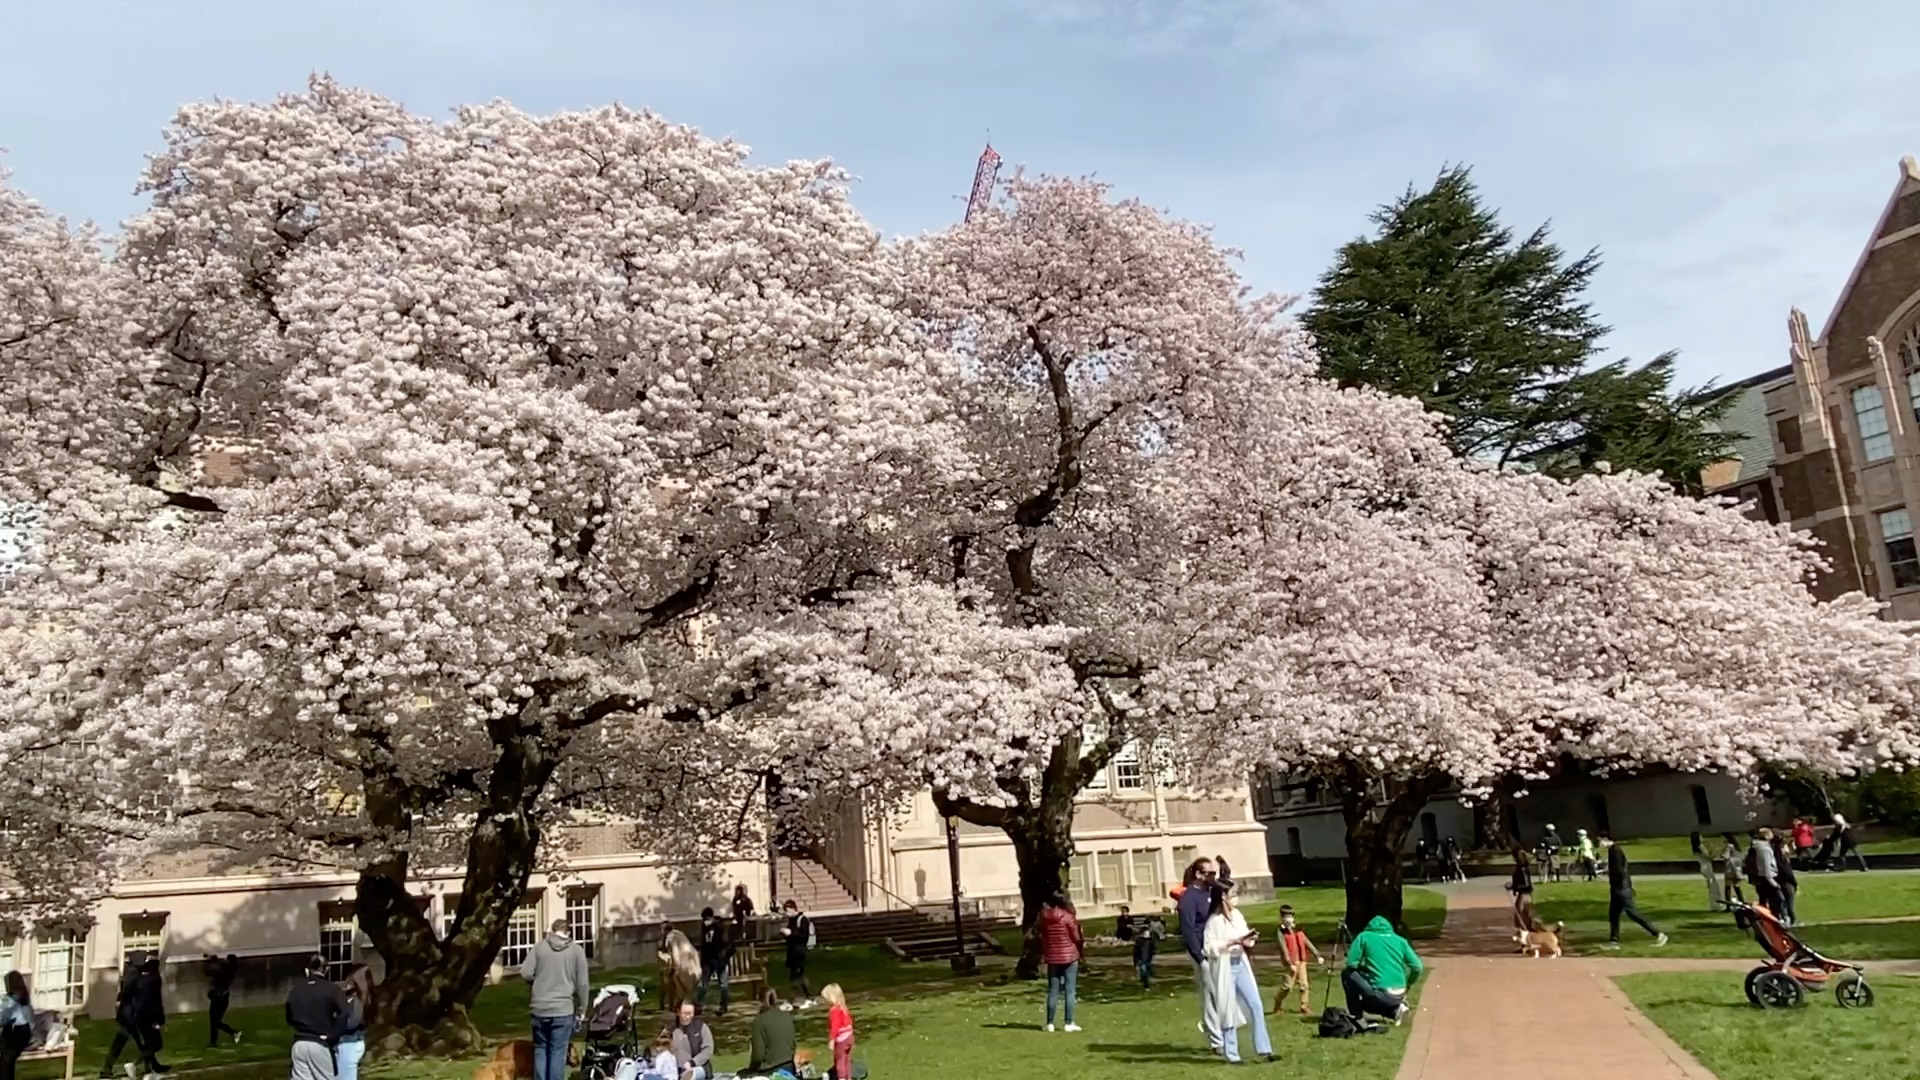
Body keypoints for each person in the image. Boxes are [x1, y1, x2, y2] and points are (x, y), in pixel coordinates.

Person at [1202, 883, 1271, 1063]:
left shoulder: (1237, 916)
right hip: (1225, 966)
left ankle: (1264, 1049)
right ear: (1223, 897)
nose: (1234, 898)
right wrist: (1230, 942)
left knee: (1255, 1004)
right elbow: (1209, 947)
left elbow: (1244, 938)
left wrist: (1249, 938)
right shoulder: (1214, 921)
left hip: (1240, 963)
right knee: (1228, 1009)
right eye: (1231, 894)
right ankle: (1232, 1053)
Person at [519, 917, 591, 1080]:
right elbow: (583, 984)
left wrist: (538, 980)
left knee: (540, 1050)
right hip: (562, 1009)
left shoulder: (539, 947)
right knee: (557, 1053)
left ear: (552, 930)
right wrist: (582, 1009)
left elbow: (526, 972)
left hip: (540, 1008)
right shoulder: (576, 951)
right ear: (568, 932)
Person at [1176, 856, 1222, 1054]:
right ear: (1198, 874)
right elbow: (1187, 929)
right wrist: (1199, 956)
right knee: (1209, 994)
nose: (1213, 877)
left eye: (1214, 873)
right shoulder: (1189, 898)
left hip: (1215, 947)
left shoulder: (1209, 892)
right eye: (1209, 873)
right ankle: (1216, 1040)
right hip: (1201, 951)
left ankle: (1224, 1031)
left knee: (1220, 992)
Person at [1343, 916, 1422, 1027]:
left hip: (1381, 992)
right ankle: (1397, 1011)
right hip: (1400, 993)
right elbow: (1417, 967)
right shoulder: (1400, 940)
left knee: (1347, 974)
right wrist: (1408, 984)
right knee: (1369, 1003)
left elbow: (1351, 964)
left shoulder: (1364, 937)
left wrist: (1364, 966)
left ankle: (1356, 1017)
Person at [100, 950, 168, 1080]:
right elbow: (136, 995)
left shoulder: (130, 972)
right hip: (133, 1015)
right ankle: (144, 1069)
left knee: (136, 1042)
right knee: (143, 1042)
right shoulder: (135, 975)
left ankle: (151, 1067)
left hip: (128, 1014)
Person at [285, 954, 347, 1080]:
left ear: (306, 970)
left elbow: (289, 1017)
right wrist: (334, 1035)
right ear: (327, 970)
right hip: (320, 1043)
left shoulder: (295, 990)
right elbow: (344, 1013)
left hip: (299, 1044)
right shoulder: (332, 990)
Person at [1601, 834, 1668, 949]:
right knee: (1613, 915)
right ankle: (1614, 941)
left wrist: (1614, 879)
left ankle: (1658, 934)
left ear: (1606, 840)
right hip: (1619, 888)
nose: (1599, 844)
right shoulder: (1614, 850)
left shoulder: (1615, 851)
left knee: (1632, 913)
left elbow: (1620, 870)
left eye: (1600, 841)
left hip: (1620, 889)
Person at [1035, 892, 1083, 1032]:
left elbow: (1042, 936)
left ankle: (1049, 1023)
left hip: (1053, 957)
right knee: (1070, 990)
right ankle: (1069, 1022)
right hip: (1069, 956)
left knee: (1053, 991)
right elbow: (1076, 937)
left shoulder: (1043, 918)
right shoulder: (1068, 917)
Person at [1271, 904, 1322, 1015]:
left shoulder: (1298, 929)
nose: (1288, 919)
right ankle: (1277, 1002)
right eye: (1285, 916)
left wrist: (1317, 955)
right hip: (1291, 962)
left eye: (1290, 916)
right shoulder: (1281, 932)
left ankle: (1304, 1006)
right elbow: (1283, 948)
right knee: (1287, 986)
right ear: (1281, 918)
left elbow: (1306, 942)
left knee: (1304, 985)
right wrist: (1289, 963)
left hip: (1301, 961)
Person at [746, 988, 796, 1076]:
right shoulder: (787, 1017)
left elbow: (758, 1055)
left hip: (769, 1070)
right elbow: (792, 1045)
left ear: (760, 1001)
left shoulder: (759, 1021)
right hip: (789, 1066)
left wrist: (751, 1070)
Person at [334, 966, 370, 1080]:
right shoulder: (350, 998)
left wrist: (334, 1025)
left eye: (350, 980)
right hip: (346, 1043)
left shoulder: (358, 1001)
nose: (346, 982)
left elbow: (352, 1022)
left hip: (349, 1043)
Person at [696, 907, 733, 1015]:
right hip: (708, 960)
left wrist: (724, 957)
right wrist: (702, 961)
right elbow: (704, 945)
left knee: (723, 985)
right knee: (703, 984)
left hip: (719, 960)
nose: (705, 922)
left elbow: (727, 944)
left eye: (707, 919)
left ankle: (723, 1006)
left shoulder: (720, 928)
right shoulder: (704, 928)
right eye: (704, 920)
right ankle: (700, 1005)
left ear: (711, 918)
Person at [779, 899, 814, 1006]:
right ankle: (809, 997)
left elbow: (804, 936)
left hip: (799, 952)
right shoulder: (791, 920)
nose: (787, 914)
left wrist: (791, 933)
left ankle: (791, 1000)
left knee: (797, 976)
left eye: (787, 911)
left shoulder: (802, 920)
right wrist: (785, 934)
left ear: (792, 909)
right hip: (792, 952)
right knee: (797, 976)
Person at [669, 1001, 715, 1080]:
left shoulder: (701, 1027)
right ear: (678, 1012)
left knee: (691, 1075)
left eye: (690, 1013)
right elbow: (660, 1047)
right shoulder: (670, 1029)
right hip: (675, 1069)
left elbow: (708, 1050)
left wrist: (692, 1063)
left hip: (698, 1067)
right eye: (685, 1013)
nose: (688, 1017)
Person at [204, 954, 240, 1047]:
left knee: (215, 1022)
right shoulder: (230, 970)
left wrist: (210, 960)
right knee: (215, 1022)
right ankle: (214, 1042)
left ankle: (232, 1033)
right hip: (222, 998)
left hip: (218, 998)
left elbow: (209, 971)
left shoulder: (224, 971)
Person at [821, 983, 855, 1080]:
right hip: (849, 1037)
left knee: (839, 1061)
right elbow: (849, 1022)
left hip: (841, 1040)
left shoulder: (834, 1010)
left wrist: (832, 1040)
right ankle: (848, 1077)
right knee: (847, 1060)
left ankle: (841, 1078)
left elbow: (834, 1027)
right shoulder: (843, 1007)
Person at [3, 971, 32, 1080]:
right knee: (7, 1059)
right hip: (24, 1033)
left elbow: (4, 1018)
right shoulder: (24, 995)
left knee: (6, 1059)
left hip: (16, 1033)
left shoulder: (10, 998)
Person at [1747, 828, 1783, 915]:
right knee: (1776, 902)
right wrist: (1773, 882)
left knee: (1764, 900)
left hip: (1761, 878)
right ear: (1766, 836)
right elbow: (1765, 866)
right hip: (1767, 879)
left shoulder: (1757, 847)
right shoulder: (1764, 849)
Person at [1507, 848, 1539, 939]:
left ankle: (1528, 940)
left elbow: (1526, 884)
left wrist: (1514, 887)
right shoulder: (1521, 868)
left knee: (1522, 919)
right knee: (1522, 918)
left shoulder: (1522, 869)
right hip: (1524, 895)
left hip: (1524, 895)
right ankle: (1526, 941)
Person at [1771, 831, 1800, 927]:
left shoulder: (1772, 851)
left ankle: (1784, 918)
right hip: (1785, 881)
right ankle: (1791, 919)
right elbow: (1787, 871)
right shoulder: (1781, 856)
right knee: (1788, 902)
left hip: (1777, 880)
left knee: (1781, 902)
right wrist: (1794, 882)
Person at [1689, 832, 1723, 910]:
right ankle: (1716, 905)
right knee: (1713, 887)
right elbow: (1708, 856)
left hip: (1704, 867)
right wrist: (1716, 853)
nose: (1702, 837)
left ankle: (1714, 905)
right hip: (1707, 867)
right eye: (1700, 836)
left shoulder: (1695, 847)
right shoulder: (1700, 846)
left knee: (1711, 886)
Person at [1720, 833, 1746, 904]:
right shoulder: (1736, 847)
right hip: (1737, 867)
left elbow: (1726, 856)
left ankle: (1728, 903)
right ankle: (1741, 901)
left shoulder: (1729, 846)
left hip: (1730, 867)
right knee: (1736, 886)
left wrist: (1721, 854)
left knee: (1728, 886)